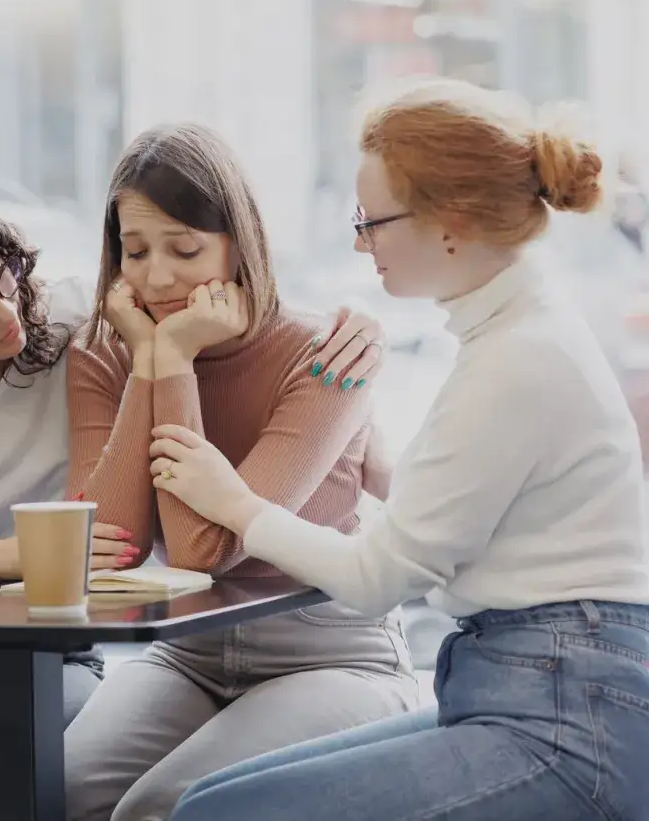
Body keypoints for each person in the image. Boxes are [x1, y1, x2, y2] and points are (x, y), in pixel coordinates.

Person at [0, 187, 382, 821]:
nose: (7, 312)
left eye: (1, 278)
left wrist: (357, 329)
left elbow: (243, 323)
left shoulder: (74, 323)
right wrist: (10, 556)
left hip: (45, 645)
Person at [163, 79, 649, 821]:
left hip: (567, 713)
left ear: (449, 225)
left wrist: (232, 500)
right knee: (204, 802)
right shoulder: (517, 332)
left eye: (371, 221)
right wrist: (371, 466)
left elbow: (377, 577)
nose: (361, 243)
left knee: (213, 815)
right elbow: (468, 518)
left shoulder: (517, 359)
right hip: (541, 685)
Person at [61, 122, 419, 821]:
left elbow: (206, 550)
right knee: (58, 790)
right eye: (134, 251)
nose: (156, 275)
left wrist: (175, 354)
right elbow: (111, 544)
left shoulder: (326, 357)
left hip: (334, 655)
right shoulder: (105, 353)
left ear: (238, 241)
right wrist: (156, 361)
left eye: (185, 249)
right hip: (186, 654)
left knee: (166, 806)